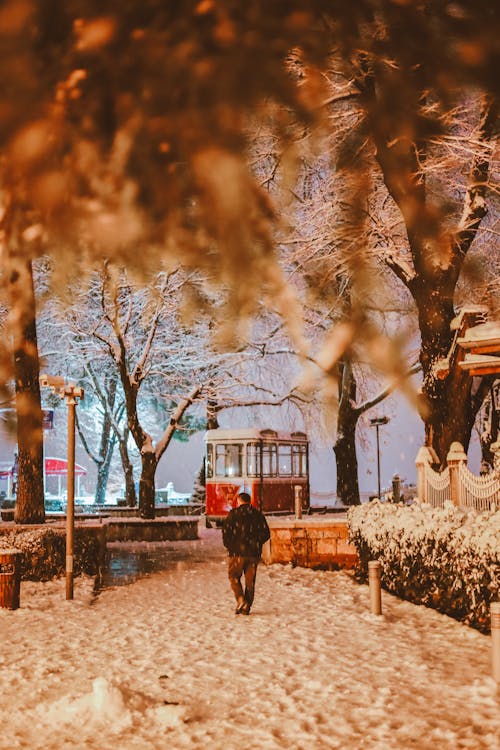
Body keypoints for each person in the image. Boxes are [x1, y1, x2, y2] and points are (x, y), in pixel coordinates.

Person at [222, 490, 270, 615]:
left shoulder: (233, 514)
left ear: (239, 501)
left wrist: (230, 546)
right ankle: (246, 607)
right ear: (249, 502)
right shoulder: (258, 515)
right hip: (253, 554)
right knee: (250, 582)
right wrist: (257, 543)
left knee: (233, 577)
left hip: (237, 553)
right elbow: (266, 534)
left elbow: (226, 533)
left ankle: (240, 599)